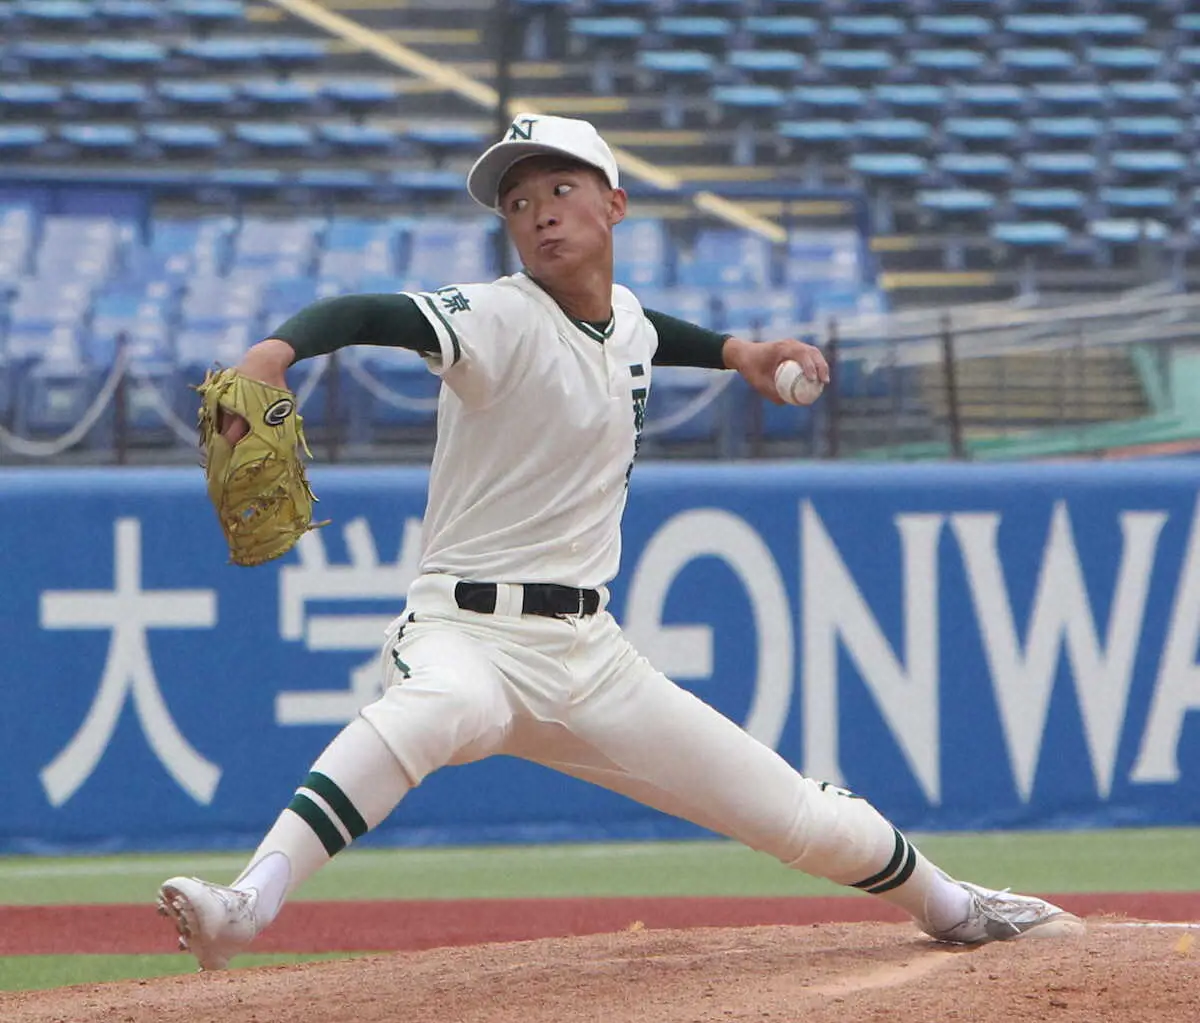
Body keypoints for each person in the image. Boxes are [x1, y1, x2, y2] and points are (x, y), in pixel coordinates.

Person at [158, 115, 1083, 971]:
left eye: (559, 191)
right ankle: (247, 903)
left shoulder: (627, 319)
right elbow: (368, 314)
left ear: (615, 203)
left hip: (590, 658)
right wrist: (272, 355)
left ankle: (953, 904)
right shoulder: (498, 316)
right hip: (465, 629)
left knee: (792, 811)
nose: (538, 217)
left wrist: (741, 354)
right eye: (518, 205)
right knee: (431, 710)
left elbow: (644, 336)